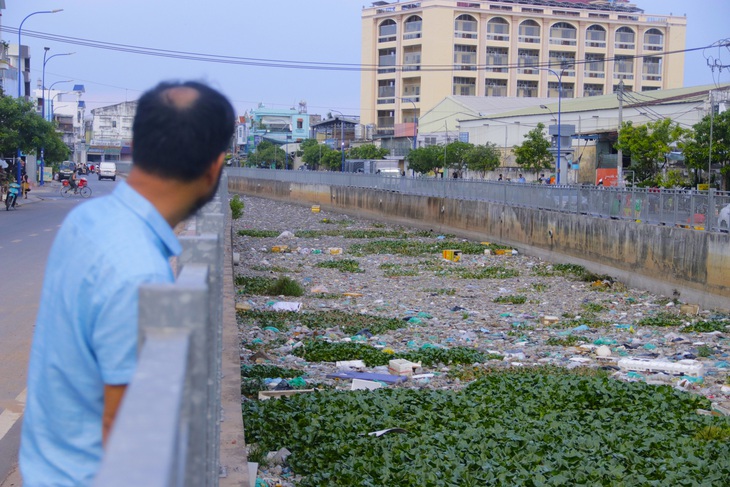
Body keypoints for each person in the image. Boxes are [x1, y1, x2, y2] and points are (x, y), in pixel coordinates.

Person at [20, 80, 234, 486]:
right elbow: (127, 443)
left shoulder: (88, 219)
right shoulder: (141, 276)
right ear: (214, 168)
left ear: (136, 147)